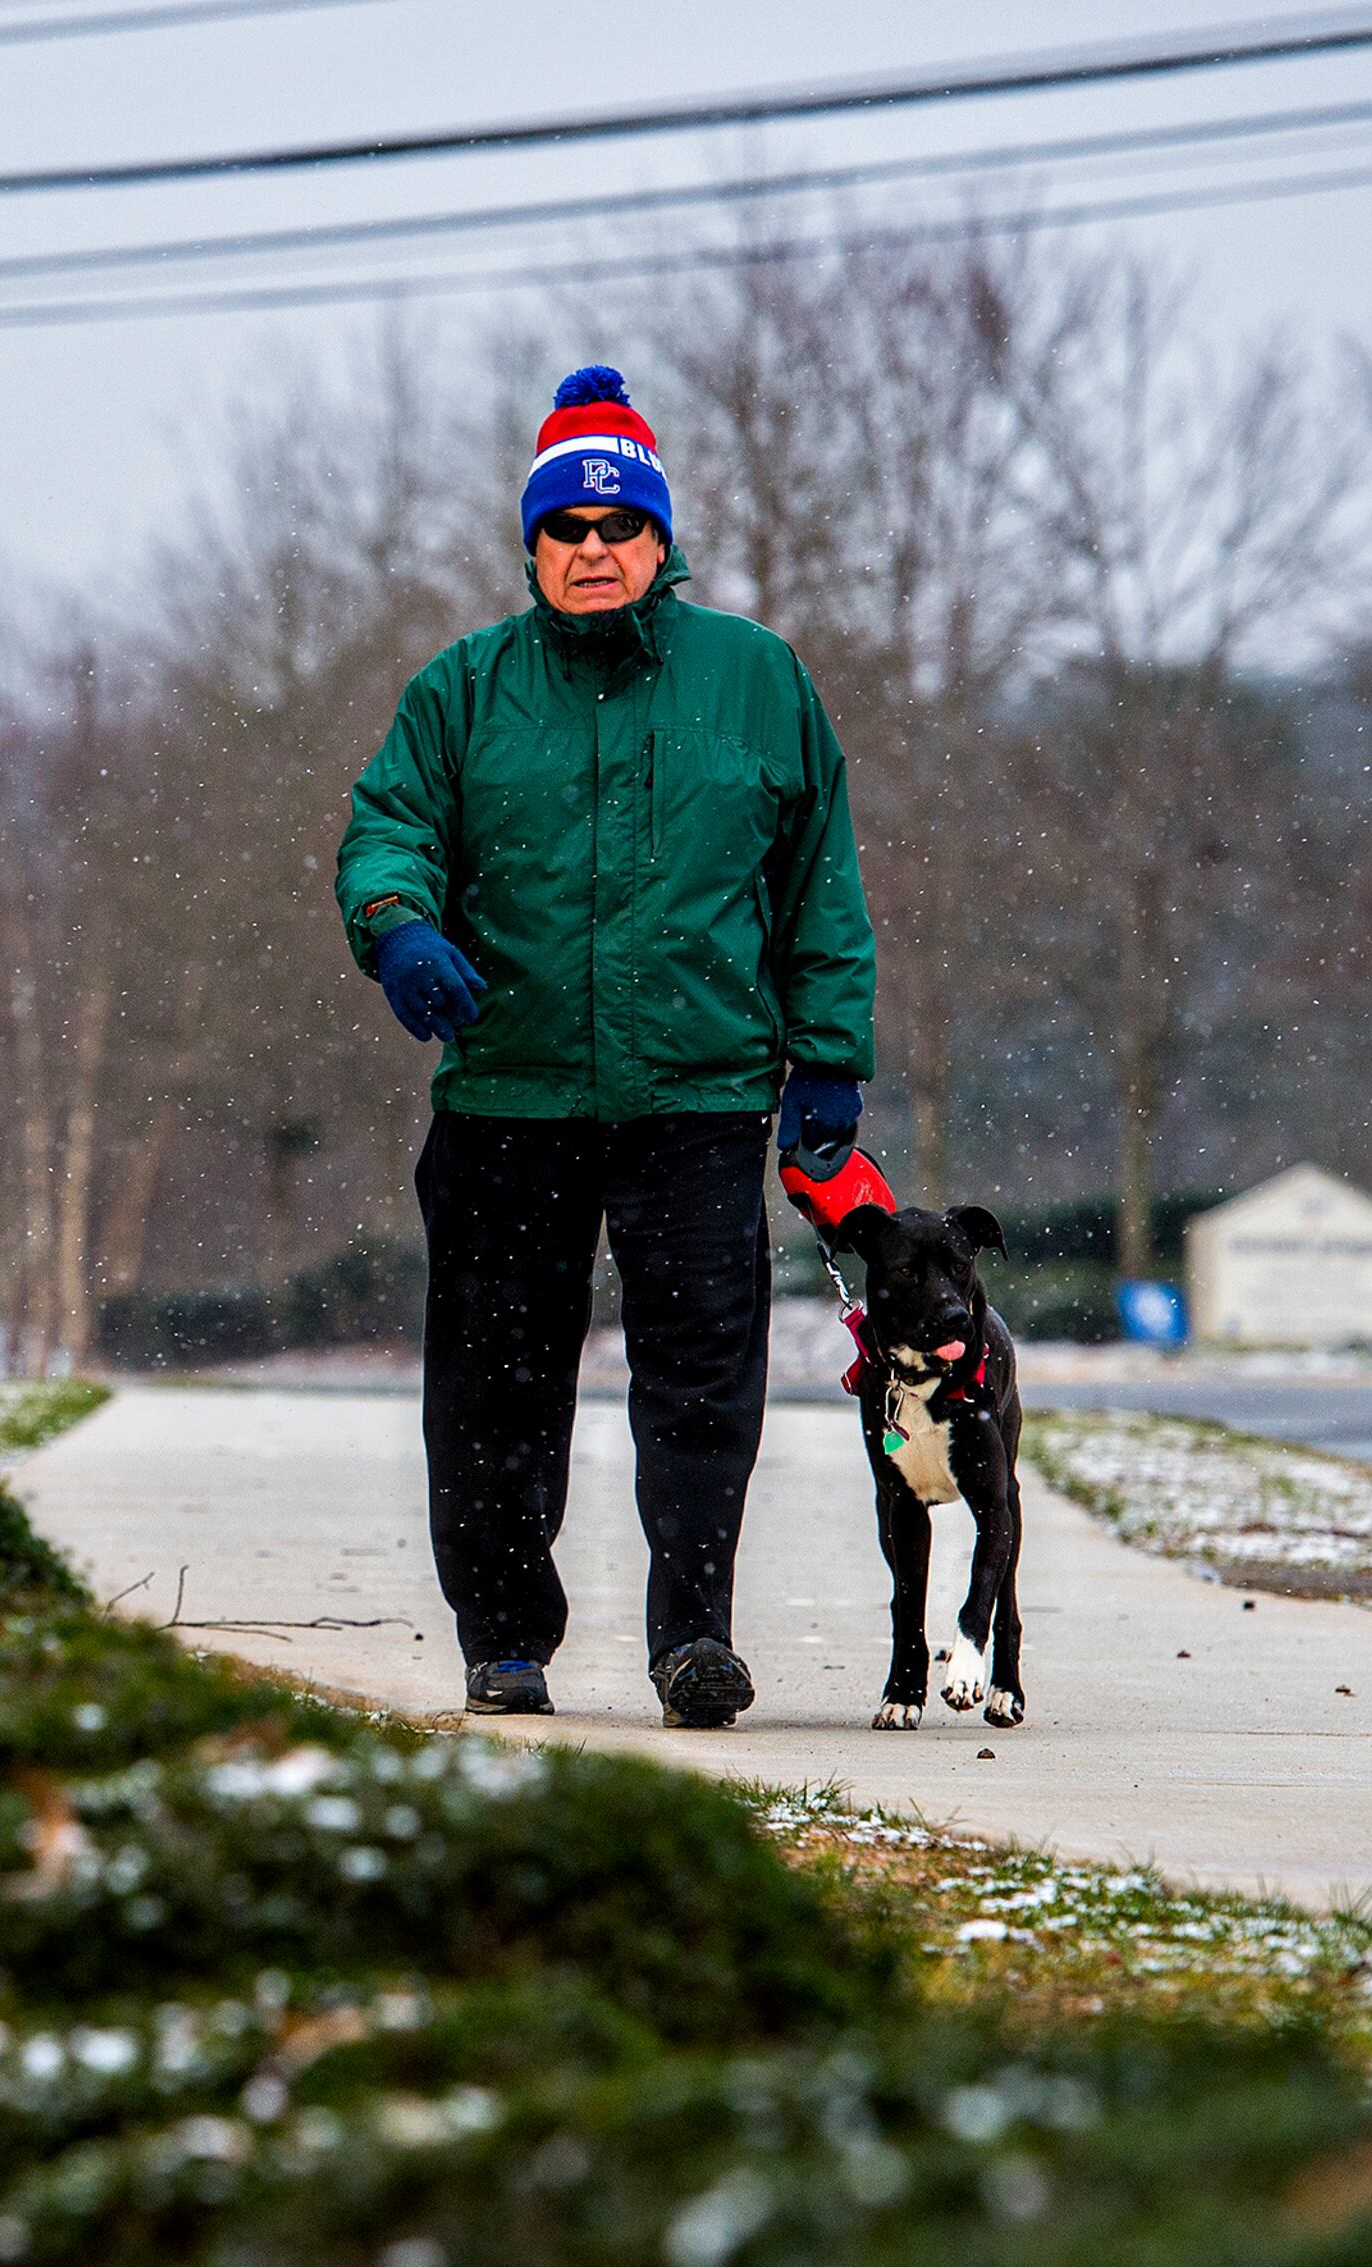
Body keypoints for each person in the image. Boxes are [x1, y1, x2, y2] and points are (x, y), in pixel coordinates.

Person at [334, 364, 875, 1730]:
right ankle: (505, 1640)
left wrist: (827, 1056)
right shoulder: (463, 692)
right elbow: (386, 829)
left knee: (700, 1382)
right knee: (494, 1390)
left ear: (660, 542)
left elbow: (819, 877)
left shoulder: (756, 682)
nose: (591, 551)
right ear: (532, 549)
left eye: (616, 527)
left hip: (695, 1097)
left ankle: (693, 1634)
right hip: (507, 1093)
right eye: (564, 532)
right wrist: (398, 923)